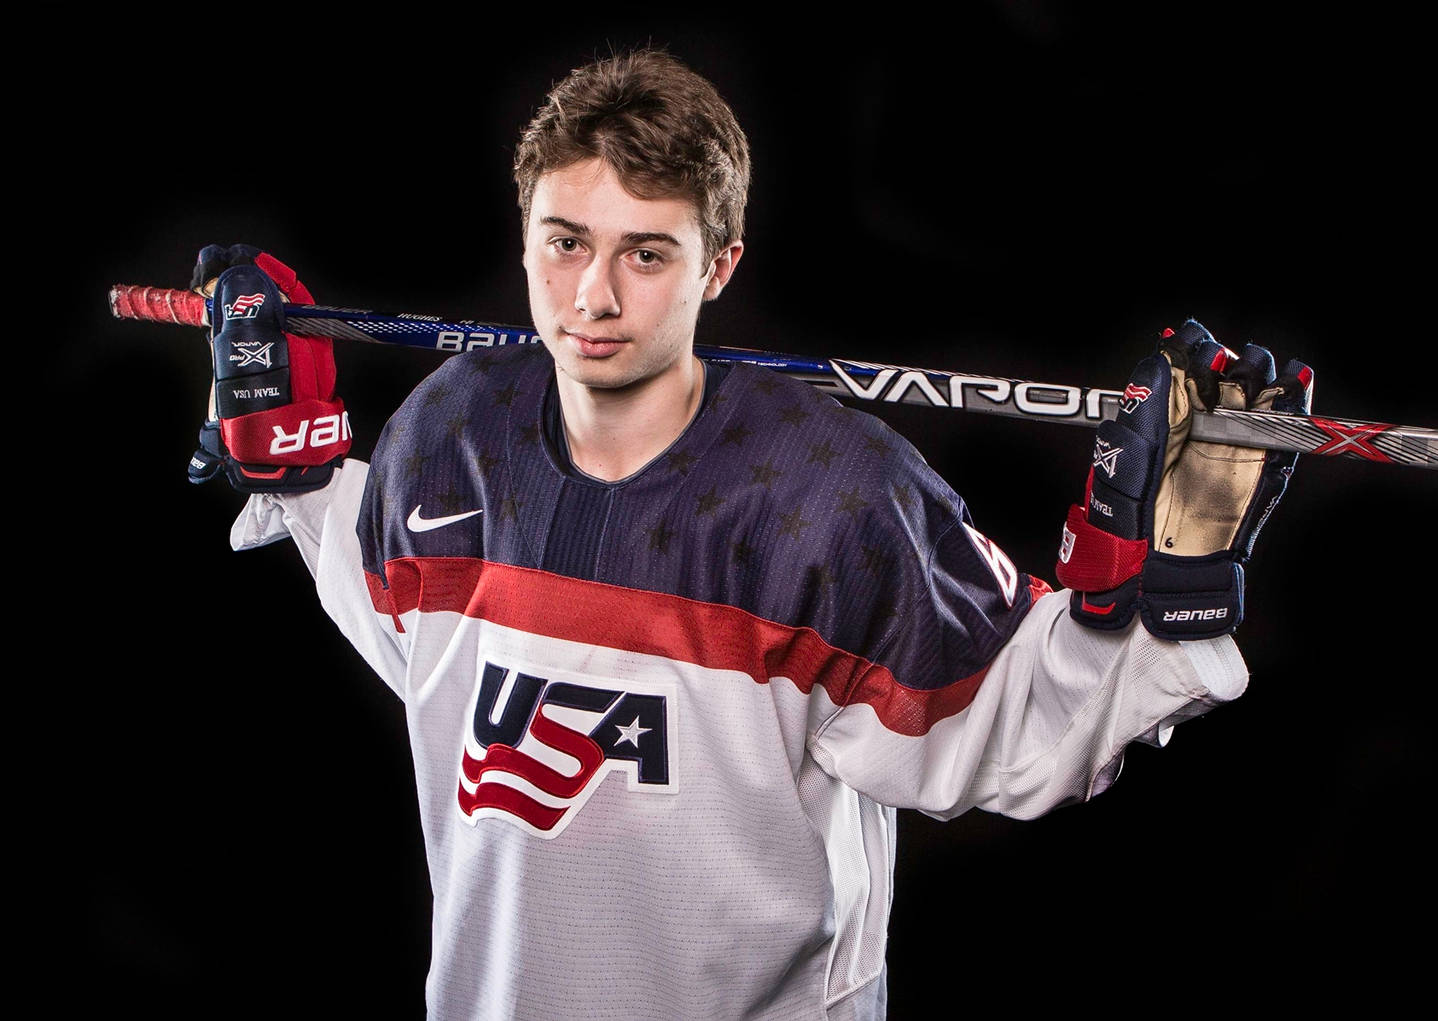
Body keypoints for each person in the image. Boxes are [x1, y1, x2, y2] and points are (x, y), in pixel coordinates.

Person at [187, 49, 1310, 1019]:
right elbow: (424, 646)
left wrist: (1168, 588)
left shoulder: (836, 493)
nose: (593, 297)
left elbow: (1009, 731)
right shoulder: (445, 433)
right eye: (566, 241)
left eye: (648, 252)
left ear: (719, 265)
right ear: (523, 229)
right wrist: (299, 472)